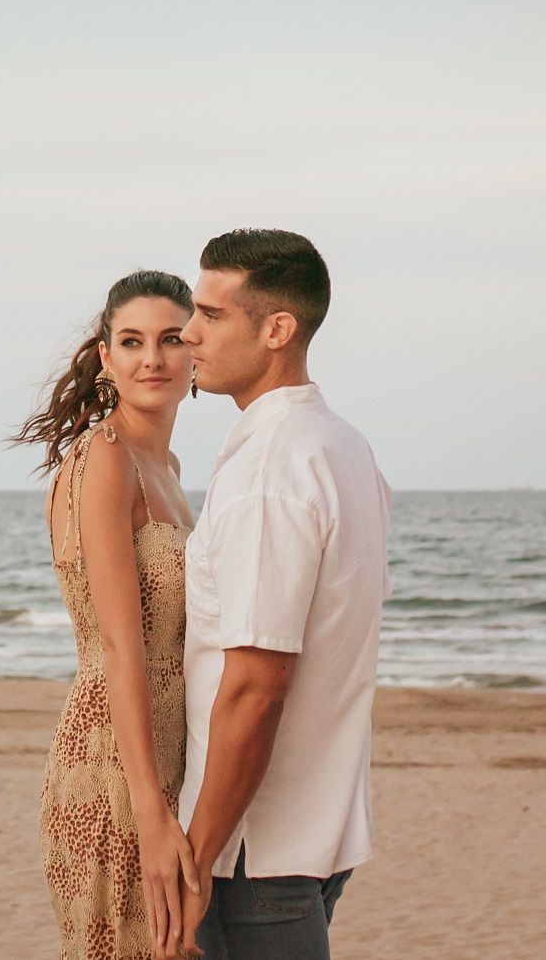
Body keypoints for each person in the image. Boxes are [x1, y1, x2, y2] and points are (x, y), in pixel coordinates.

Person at [172, 228, 392, 960]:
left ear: (276, 329)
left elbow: (256, 686)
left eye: (210, 314)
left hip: (251, 852)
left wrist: (195, 857)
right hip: (317, 835)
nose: (188, 331)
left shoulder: (270, 470)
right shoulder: (342, 445)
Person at [12, 270, 202, 960]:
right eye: (132, 340)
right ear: (106, 355)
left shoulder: (168, 464)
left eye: (171, 338)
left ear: (195, 353)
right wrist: (150, 813)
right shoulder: (105, 459)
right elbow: (121, 649)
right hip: (113, 767)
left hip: (167, 755)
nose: (152, 357)